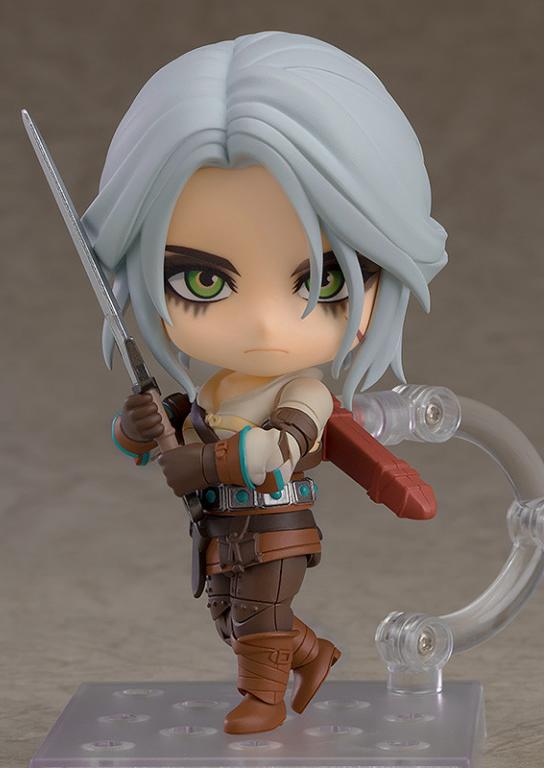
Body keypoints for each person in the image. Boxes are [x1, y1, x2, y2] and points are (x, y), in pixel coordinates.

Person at [81, 31, 447, 734]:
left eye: (325, 281)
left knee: (256, 616)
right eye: (202, 280)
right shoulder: (213, 392)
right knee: (230, 616)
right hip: (219, 526)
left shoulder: (302, 393)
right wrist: (141, 426)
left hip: (276, 523)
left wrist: (198, 463)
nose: (263, 322)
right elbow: (149, 441)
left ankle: (264, 700)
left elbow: (277, 449)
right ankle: (312, 654)